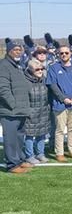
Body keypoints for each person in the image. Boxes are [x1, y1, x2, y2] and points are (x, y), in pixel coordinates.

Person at [46, 45, 72, 162]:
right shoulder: (53, 68)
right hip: (60, 104)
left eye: (66, 53)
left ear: (70, 54)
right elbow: (52, 85)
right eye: (61, 53)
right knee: (60, 130)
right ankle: (59, 153)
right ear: (58, 55)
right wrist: (63, 99)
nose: (64, 55)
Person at [0, 40, 33, 173]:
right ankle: (12, 164)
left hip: (21, 110)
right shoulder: (4, 65)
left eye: (20, 49)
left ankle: (19, 159)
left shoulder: (18, 66)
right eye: (15, 49)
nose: (18, 52)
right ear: (9, 51)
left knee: (19, 137)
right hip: (10, 110)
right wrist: (12, 104)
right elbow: (3, 88)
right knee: (11, 138)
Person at [23, 59, 50, 164]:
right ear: (30, 70)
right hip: (30, 113)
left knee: (41, 133)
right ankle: (29, 155)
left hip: (43, 111)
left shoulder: (44, 79)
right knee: (29, 134)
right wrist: (27, 111)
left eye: (41, 69)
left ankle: (40, 153)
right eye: (37, 69)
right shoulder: (25, 82)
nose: (40, 71)